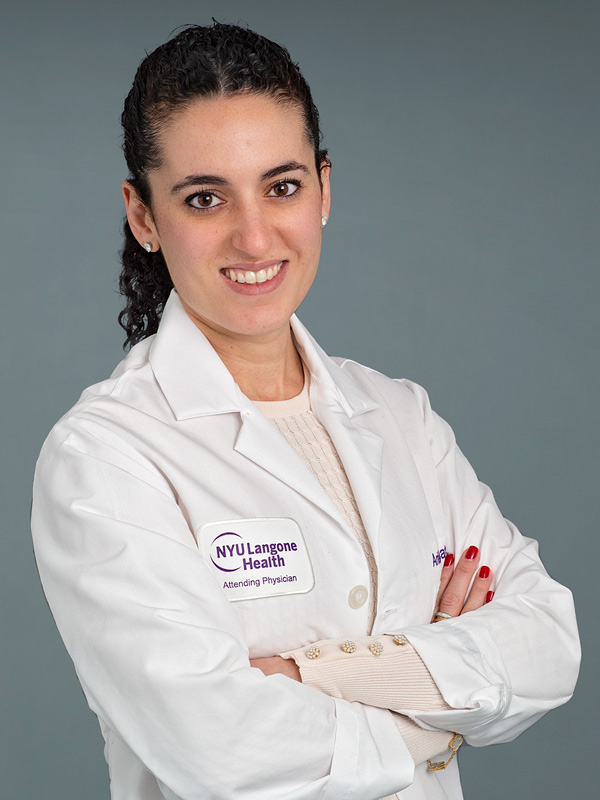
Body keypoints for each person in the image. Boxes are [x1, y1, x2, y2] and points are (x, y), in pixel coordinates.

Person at [31, 22, 580, 800]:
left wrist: (304, 675)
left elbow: (549, 643)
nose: (254, 236)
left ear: (324, 189)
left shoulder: (401, 417)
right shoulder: (106, 455)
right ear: (143, 216)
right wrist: (442, 710)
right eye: (205, 198)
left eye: (282, 186)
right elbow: (222, 748)